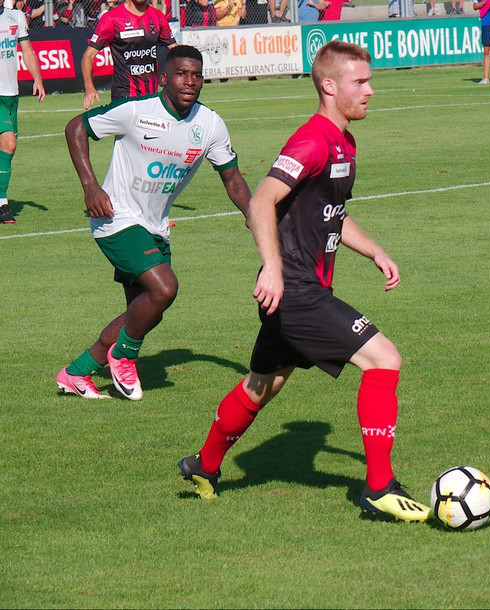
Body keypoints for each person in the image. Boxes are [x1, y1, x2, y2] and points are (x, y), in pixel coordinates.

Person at [178, 40, 432, 523]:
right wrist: (272, 269)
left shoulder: (345, 141)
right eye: (361, 82)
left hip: (298, 290)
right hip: (294, 289)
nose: (370, 91)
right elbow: (260, 202)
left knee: (261, 385)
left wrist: (374, 249)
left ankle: (203, 466)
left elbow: (328, 214)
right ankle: (379, 490)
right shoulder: (313, 140)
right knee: (384, 360)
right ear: (329, 86)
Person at [56, 45, 251, 400]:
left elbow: (233, 179)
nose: (189, 81)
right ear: (164, 78)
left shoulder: (209, 124)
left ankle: (77, 372)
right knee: (164, 288)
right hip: (114, 218)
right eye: (181, 74)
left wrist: (253, 213)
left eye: (196, 75)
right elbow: (76, 128)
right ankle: (123, 356)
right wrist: (90, 187)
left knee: (147, 310)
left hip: (155, 225)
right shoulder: (135, 111)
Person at [81, 0, 177, 110]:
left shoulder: (157, 16)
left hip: (151, 97)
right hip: (124, 96)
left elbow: (175, 50)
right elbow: (88, 55)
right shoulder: (112, 18)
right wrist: (89, 87)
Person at [0, 2, 45, 225]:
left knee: (6, 149)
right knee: (9, 144)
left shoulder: (15, 17)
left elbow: (26, 50)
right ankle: (2, 204)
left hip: (11, 94)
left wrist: (37, 77)